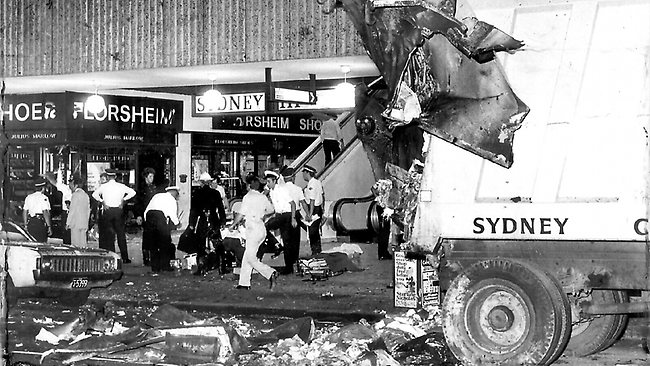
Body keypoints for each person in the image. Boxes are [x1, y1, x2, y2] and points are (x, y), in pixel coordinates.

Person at [230, 174, 278, 290]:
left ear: (249, 185)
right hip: (261, 227)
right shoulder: (262, 197)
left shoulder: (248, 197)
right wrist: (261, 215)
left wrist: (232, 225)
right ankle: (244, 283)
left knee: (251, 258)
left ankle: (271, 273)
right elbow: (271, 210)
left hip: (252, 229)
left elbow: (241, 214)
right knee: (248, 255)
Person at [92, 169, 137, 263]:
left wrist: (102, 201)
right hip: (118, 211)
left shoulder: (104, 187)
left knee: (108, 234)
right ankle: (125, 257)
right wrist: (123, 200)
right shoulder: (121, 186)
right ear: (115, 177)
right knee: (121, 234)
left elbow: (94, 194)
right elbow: (133, 192)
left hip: (108, 211)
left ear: (107, 177)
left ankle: (110, 255)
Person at [189, 172, 227, 269]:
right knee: (217, 243)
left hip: (202, 220)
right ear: (209, 182)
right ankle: (221, 266)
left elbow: (193, 210)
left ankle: (201, 266)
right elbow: (221, 208)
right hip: (213, 219)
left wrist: (192, 224)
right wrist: (223, 221)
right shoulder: (215, 193)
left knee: (201, 244)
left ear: (201, 182)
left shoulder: (196, 193)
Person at [265, 170, 298, 275]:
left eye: (269, 181)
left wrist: (293, 218)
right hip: (279, 216)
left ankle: (289, 267)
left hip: (287, 215)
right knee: (265, 227)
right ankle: (276, 244)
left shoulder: (282, 190)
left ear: (275, 181)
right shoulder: (272, 191)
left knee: (287, 240)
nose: (267, 184)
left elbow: (293, 204)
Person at [144, 185, 181, 272]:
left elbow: (147, 210)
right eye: (177, 194)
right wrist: (177, 223)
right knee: (165, 242)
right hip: (159, 217)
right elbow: (172, 213)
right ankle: (165, 266)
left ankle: (155, 267)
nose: (177, 196)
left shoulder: (157, 196)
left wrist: (147, 222)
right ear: (174, 192)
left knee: (153, 244)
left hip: (149, 216)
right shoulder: (171, 199)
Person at [280, 167, 307, 259]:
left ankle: (288, 265)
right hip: (296, 214)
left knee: (286, 240)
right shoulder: (298, 189)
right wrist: (308, 214)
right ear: (292, 178)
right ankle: (295, 261)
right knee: (295, 240)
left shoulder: (280, 189)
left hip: (284, 215)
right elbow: (303, 203)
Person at [136, 167, 159, 266]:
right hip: (145, 215)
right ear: (146, 177)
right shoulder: (141, 189)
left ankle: (153, 257)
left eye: (153, 176)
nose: (152, 178)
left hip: (154, 214)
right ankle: (146, 258)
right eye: (150, 176)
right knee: (147, 237)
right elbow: (138, 203)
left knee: (155, 236)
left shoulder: (154, 188)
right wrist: (139, 215)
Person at [301, 165, 324, 255]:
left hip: (313, 209)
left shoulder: (311, 184)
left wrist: (309, 214)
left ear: (307, 173)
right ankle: (318, 251)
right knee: (315, 232)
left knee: (312, 233)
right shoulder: (318, 182)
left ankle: (315, 252)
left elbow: (312, 200)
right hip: (318, 209)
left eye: (304, 173)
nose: (303, 175)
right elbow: (322, 196)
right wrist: (322, 208)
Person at [45, 171, 72, 244]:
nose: (70, 184)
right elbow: (55, 183)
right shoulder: (66, 188)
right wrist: (49, 177)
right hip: (66, 213)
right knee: (66, 234)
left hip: (71, 213)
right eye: (70, 181)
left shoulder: (76, 191)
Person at [66, 175, 90, 247]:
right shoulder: (86, 195)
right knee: (83, 245)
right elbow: (88, 210)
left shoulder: (75, 195)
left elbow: (72, 210)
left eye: (70, 184)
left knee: (75, 245)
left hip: (75, 224)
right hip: (84, 223)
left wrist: (67, 223)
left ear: (75, 185)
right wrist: (87, 222)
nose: (69, 186)